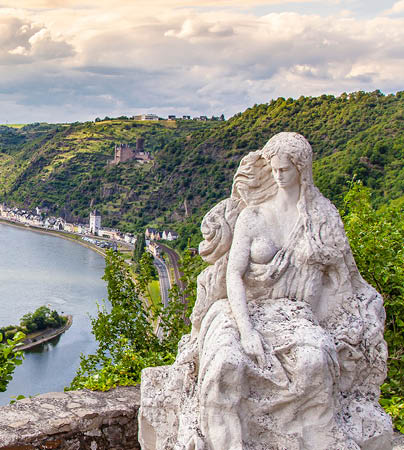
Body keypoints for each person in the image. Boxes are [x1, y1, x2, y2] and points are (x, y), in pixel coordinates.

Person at [139, 133, 392, 450]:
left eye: (284, 169)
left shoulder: (321, 218)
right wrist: (246, 331)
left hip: (294, 316)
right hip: (242, 310)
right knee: (224, 364)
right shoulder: (253, 216)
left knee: (314, 361)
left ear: (301, 169)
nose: (278, 176)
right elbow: (233, 274)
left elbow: (343, 279)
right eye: (273, 169)